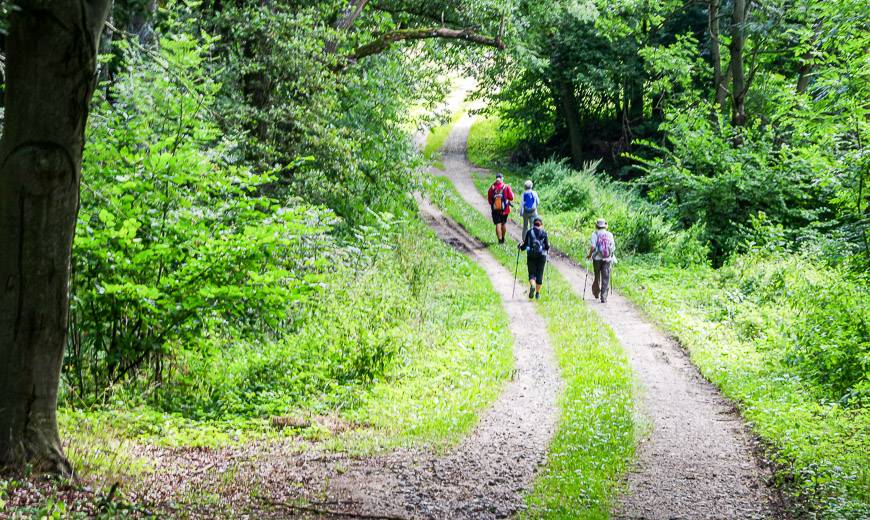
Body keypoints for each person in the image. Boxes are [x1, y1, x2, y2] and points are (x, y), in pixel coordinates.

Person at [518, 217, 550, 300]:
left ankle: (532, 285)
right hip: (542, 256)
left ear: (533, 224)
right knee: (540, 273)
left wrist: (520, 247)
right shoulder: (544, 233)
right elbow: (547, 246)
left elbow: (525, 245)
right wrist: (547, 247)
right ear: (541, 225)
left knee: (532, 273)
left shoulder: (529, 232)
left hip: (531, 255)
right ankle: (537, 293)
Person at [585, 218, 616, 303]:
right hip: (607, 259)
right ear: (605, 226)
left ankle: (596, 293)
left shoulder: (595, 234)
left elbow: (593, 247)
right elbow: (612, 247)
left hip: (597, 259)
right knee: (606, 277)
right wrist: (610, 255)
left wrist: (589, 255)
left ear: (596, 226)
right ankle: (603, 297)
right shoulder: (609, 234)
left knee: (597, 276)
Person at [487, 173, 514, 244]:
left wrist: (493, 205)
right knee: (503, 223)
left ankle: (499, 240)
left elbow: (489, 199)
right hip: (505, 210)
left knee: (497, 224)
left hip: (495, 209)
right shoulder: (506, 187)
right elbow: (511, 197)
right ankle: (503, 239)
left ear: (496, 179)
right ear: (502, 178)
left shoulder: (492, 187)